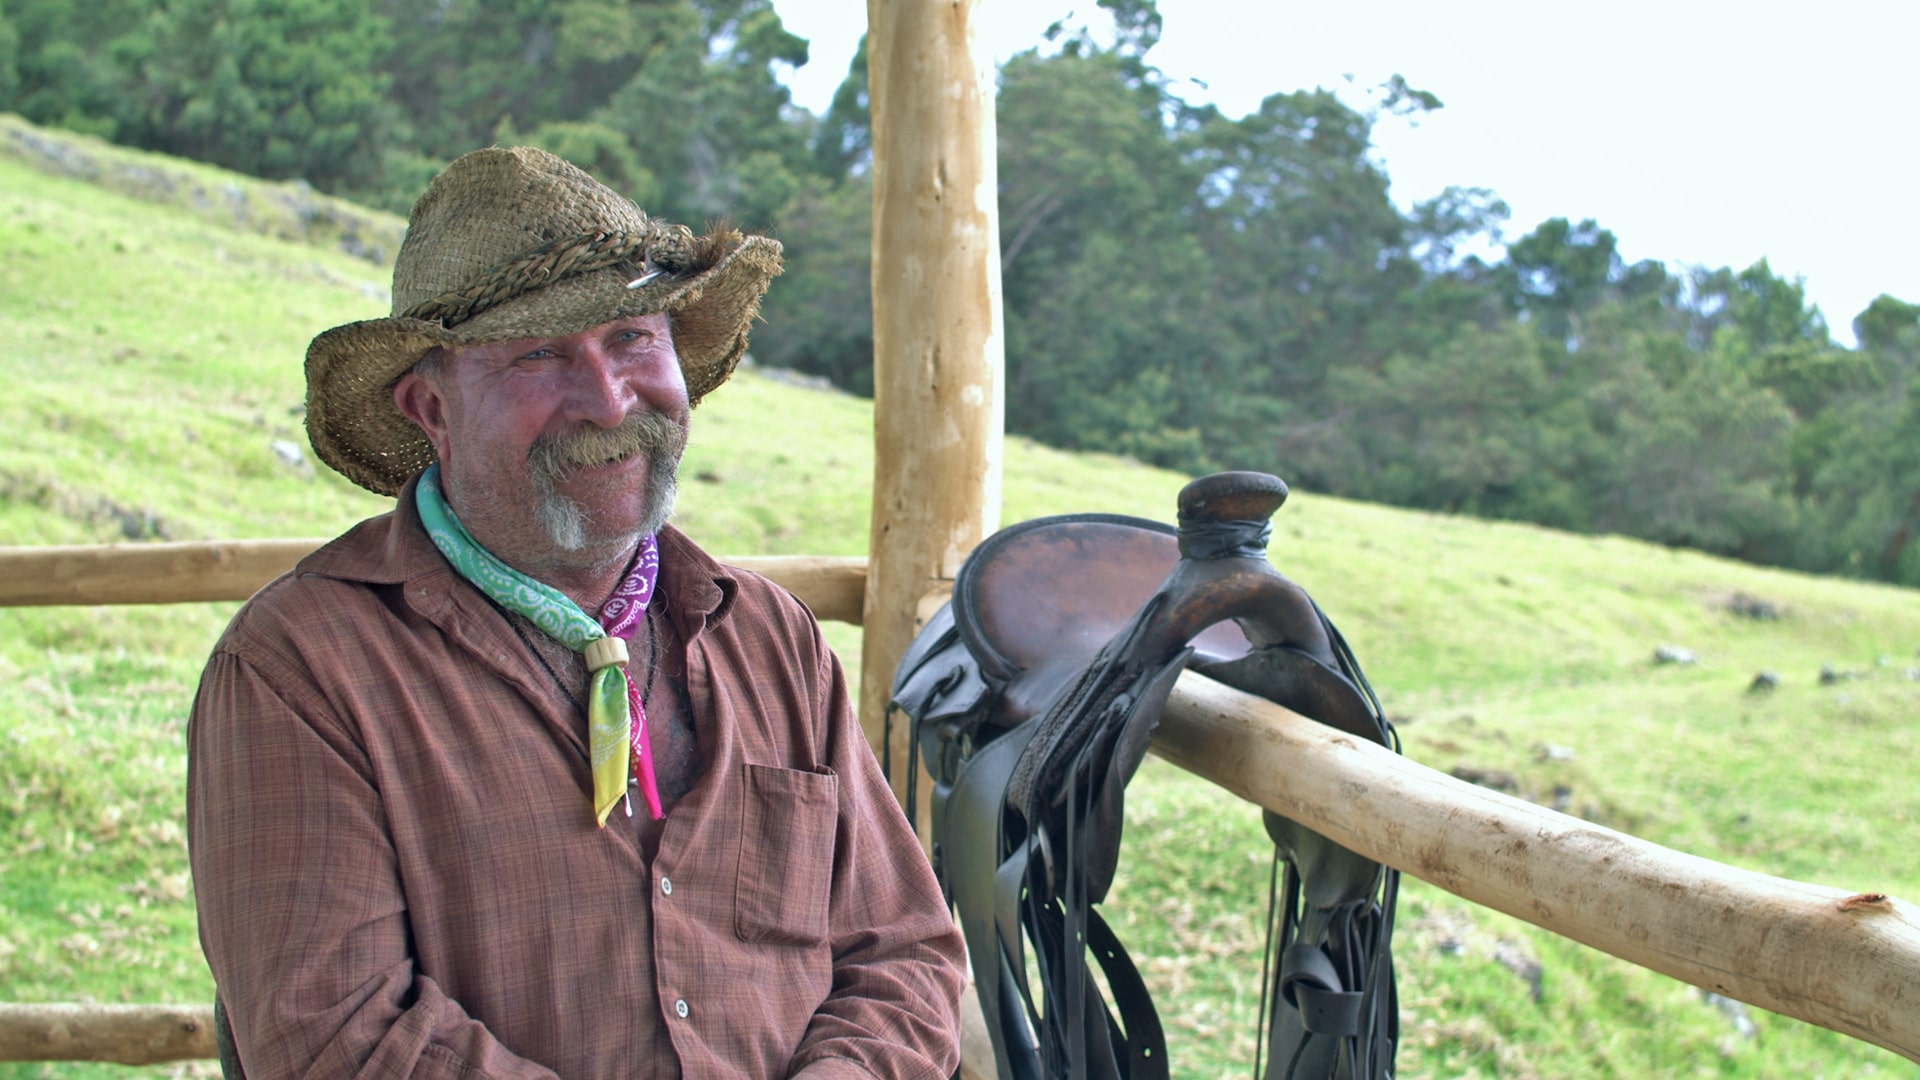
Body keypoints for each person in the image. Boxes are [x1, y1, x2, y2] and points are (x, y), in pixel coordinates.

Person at [186, 146, 967, 1080]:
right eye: (540, 354)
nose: (606, 401)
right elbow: (334, 1039)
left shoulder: (771, 640)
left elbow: (904, 953)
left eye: (634, 338)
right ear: (431, 407)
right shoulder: (301, 670)